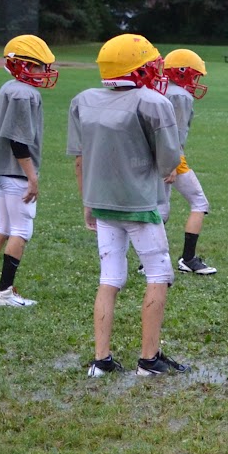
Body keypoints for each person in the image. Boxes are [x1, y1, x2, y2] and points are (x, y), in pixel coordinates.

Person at [68, 34, 187, 376]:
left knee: (110, 278)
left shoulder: (85, 100)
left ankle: (101, 361)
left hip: (102, 204)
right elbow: (169, 161)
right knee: (159, 275)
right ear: (138, 69)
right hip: (139, 204)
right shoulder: (152, 102)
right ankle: (149, 360)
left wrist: (87, 201)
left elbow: (80, 160)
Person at [0, 35, 57, 307]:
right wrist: (32, 176)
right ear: (22, 65)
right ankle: (5, 292)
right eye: (39, 66)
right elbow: (18, 140)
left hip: (0, 171)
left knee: (2, 227)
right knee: (21, 229)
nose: (44, 72)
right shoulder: (23, 93)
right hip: (14, 172)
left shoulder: (9, 87)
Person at [160, 49, 218, 275]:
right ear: (182, 72)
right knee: (199, 203)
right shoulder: (180, 95)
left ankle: (150, 262)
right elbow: (175, 132)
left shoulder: (159, 88)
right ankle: (188, 258)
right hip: (171, 155)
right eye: (194, 75)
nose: (195, 81)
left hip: (152, 154)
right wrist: (173, 162)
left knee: (160, 209)